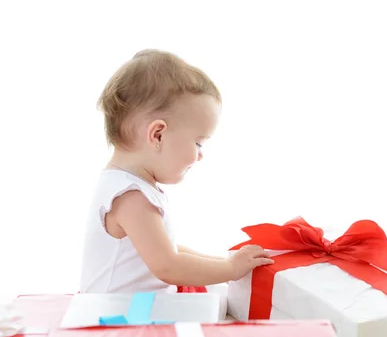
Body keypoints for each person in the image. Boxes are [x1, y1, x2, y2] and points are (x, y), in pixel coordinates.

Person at [79, 49, 273, 293]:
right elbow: (168, 266)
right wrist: (230, 270)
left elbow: (170, 249)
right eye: (198, 142)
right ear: (157, 135)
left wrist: (223, 263)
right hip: (117, 318)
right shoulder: (131, 196)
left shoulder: (129, 185)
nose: (200, 155)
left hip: (130, 310)